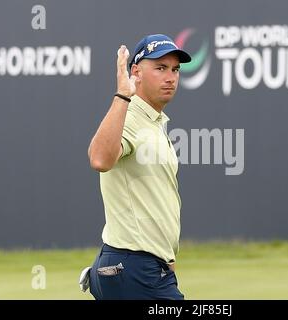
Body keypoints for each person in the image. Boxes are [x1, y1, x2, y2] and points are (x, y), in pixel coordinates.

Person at [85, 34, 191, 300]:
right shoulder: (130, 116)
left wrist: (167, 260)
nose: (171, 77)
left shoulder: (154, 122)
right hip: (133, 268)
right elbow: (99, 159)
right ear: (136, 72)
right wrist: (123, 94)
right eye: (160, 68)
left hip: (141, 267)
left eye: (175, 69)